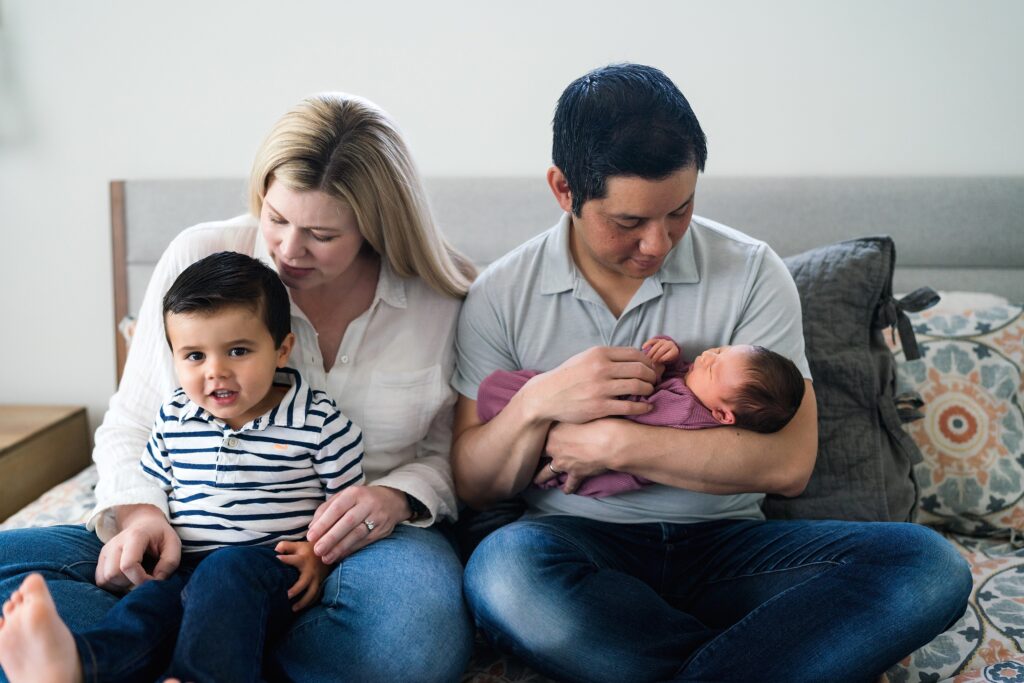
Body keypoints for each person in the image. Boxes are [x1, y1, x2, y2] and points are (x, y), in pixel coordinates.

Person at [451, 63, 972, 683]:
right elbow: (474, 482)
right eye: (628, 223)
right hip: (577, 549)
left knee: (928, 565)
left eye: (680, 209)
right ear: (564, 189)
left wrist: (617, 442)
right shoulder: (501, 293)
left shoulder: (752, 271)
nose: (658, 243)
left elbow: (789, 465)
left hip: (731, 551)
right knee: (501, 572)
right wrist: (539, 400)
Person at [0, 92, 475, 683]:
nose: (288, 249)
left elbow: (449, 452)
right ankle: (135, 655)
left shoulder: (442, 300)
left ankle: (159, 654)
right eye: (276, 218)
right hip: (188, 535)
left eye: (322, 234)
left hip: (357, 543)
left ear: (375, 227)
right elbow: (134, 423)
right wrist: (142, 514)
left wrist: (396, 497)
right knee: (16, 567)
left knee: (412, 641)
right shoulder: (202, 256)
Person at [0, 251, 367, 682]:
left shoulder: (318, 422)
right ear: (173, 357)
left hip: (267, 570)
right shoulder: (174, 415)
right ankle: (80, 664)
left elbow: (347, 510)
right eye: (194, 356)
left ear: (282, 349)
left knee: (226, 572)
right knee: (148, 605)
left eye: (238, 350)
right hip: (185, 563)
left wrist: (319, 559)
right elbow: (152, 489)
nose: (216, 372)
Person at [477, 337, 805, 497]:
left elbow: (640, 411)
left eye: (713, 366)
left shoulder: (687, 411)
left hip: (603, 473)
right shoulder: (698, 394)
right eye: (718, 351)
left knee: (498, 390)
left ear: (722, 414)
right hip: (592, 456)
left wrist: (649, 371)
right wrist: (669, 354)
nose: (705, 356)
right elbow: (676, 379)